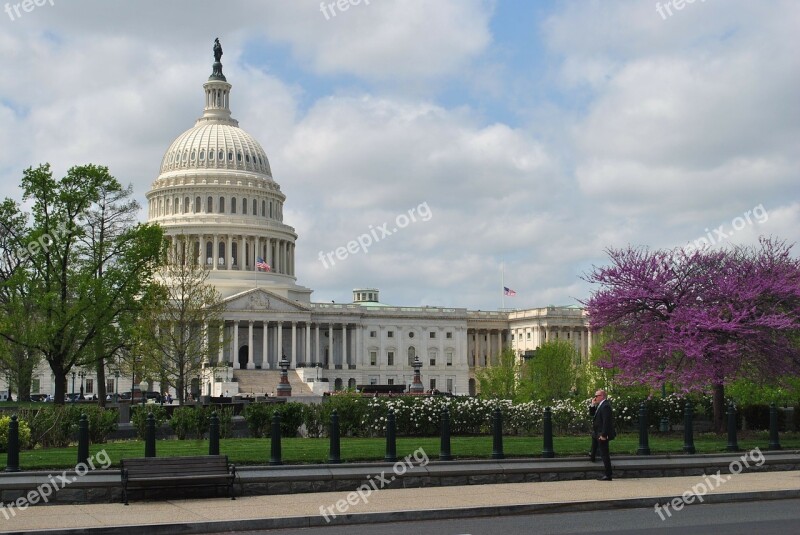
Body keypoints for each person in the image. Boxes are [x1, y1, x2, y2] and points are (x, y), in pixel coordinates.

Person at [592, 389, 615, 481]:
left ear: (602, 396)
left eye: (596, 396)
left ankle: (608, 475)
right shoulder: (600, 405)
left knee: (604, 454)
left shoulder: (605, 406)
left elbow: (606, 422)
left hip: (602, 433)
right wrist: (592, 405)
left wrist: (604, 435)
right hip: (597, 432)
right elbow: (592, 415)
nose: (595, 398)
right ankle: (592, 455)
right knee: (594, 444)